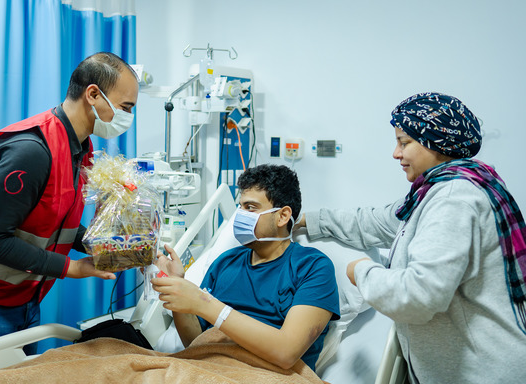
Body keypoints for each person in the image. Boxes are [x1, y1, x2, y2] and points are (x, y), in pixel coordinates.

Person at [0, 52, 139, 383]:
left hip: (21, 300)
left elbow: (53, 224)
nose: (128, 117)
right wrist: (72, 268)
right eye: (126, 107)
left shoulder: (79, 149)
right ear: (93, 95)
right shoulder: (32, 150)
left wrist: (100, 244)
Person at [296, 92, 526, 383]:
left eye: (404, 142)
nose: (396, 153)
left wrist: (362, 271)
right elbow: (376, 222)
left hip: (482, 373)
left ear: (437, 142)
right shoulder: (439, 191)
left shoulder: (453, 199)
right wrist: (305, 221)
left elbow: (419, 297)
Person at [152, 164, 340, 372]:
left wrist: (204, 303)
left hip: (267, 374)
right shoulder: (226, 262)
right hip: (211, 368)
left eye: (251, 208)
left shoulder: (312, 267)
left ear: (283, 216)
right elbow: (196, 343)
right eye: (240, 207)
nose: (240, 215)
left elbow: (286, 353)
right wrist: (177, 287)